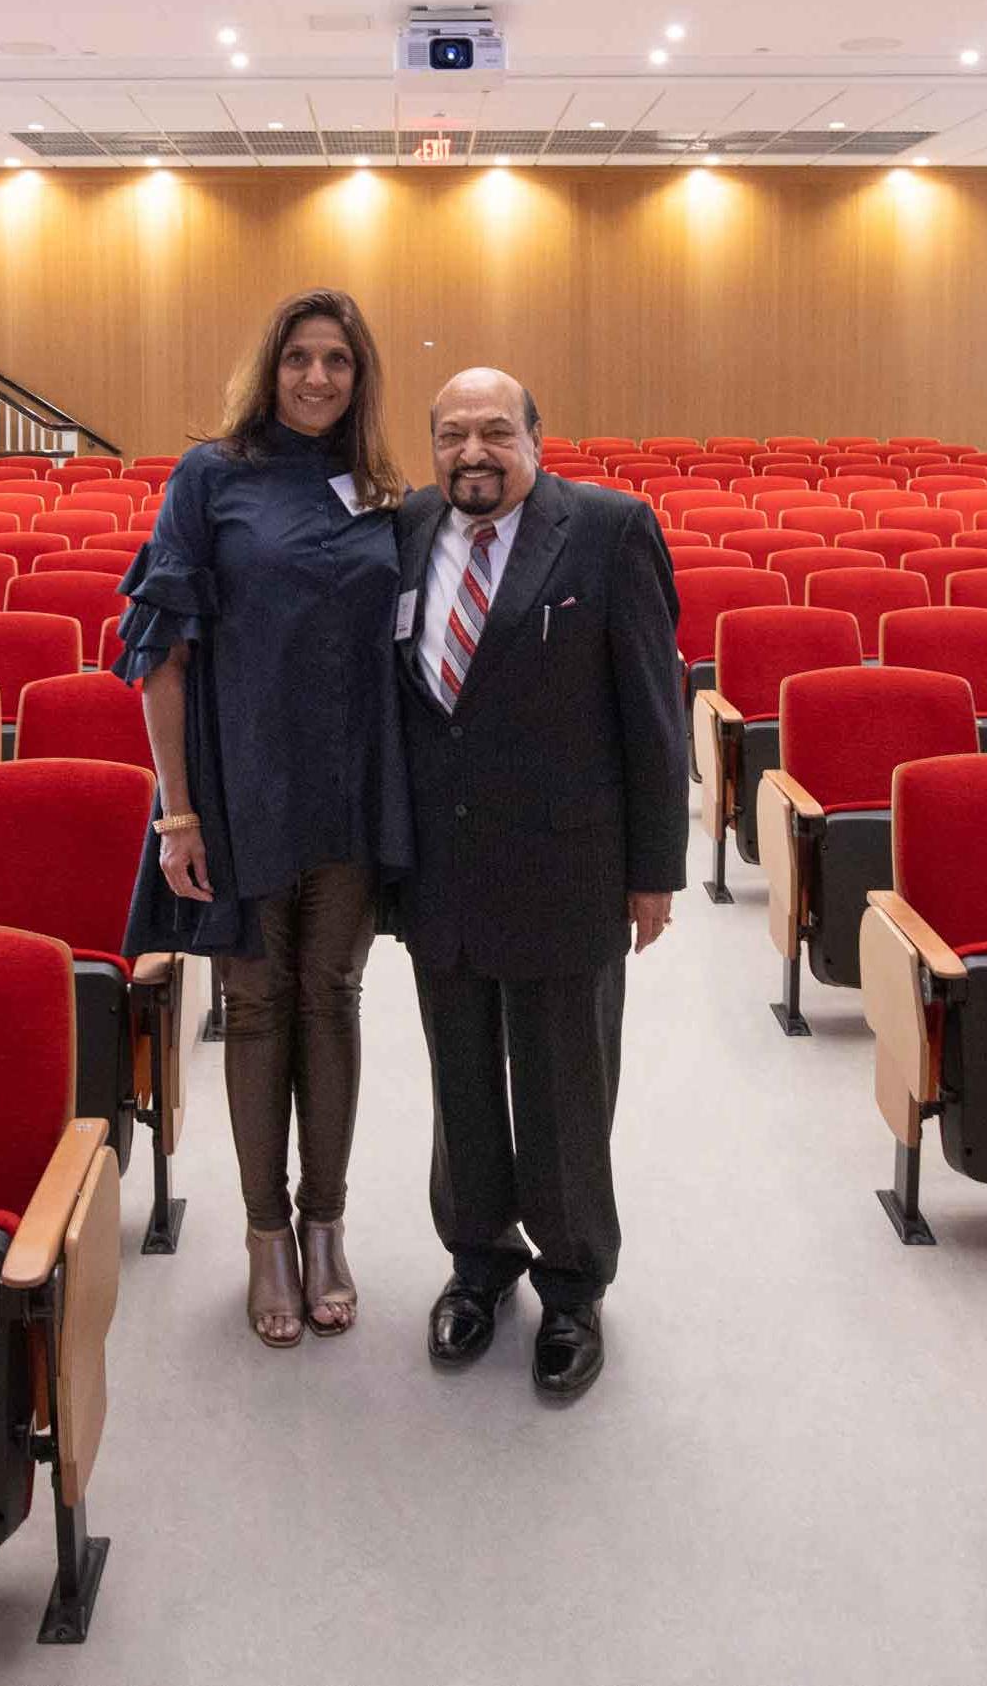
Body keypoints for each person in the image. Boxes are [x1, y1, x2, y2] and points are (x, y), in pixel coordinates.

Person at [117, 288, 410, 1349]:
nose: (319, 377)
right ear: (270, 365)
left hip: (350, 787)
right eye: (300, 358)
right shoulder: (212, 475)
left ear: (360, 374)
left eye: (337, 359)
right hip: (239, 786)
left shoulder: (382, 491)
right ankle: (262, 1233)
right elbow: (161, 654)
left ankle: (325, 1225)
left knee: (331, 994)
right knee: (253, 1009)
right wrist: (176, 814)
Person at [394, 368, 686, 1399]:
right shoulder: (408, 527)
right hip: (443, 866)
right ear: (430, 447)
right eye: (451, 436)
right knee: (460, 1080)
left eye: (493, 432)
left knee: (564, 1086)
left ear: (534, 436)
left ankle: (570, 1286)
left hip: (569, 863)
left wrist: (655, 870)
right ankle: (477, 1264)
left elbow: (654, 707)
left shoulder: (608, 530)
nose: (473, 452)